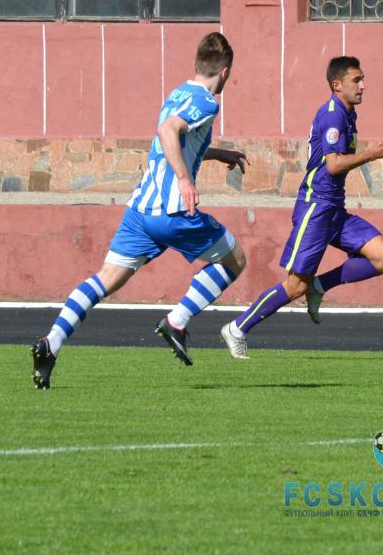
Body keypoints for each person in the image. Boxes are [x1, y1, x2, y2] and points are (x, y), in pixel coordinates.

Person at [31, 32, 248, 389]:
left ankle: (50, 343)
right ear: (225, 72)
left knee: (106, 279)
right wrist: (184, 180)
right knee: (235, 259)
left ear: (196, 64)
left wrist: (215, 153)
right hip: (172, 211)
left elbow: (174, 139)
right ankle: (177, 321)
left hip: (140, 210)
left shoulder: (177, 93)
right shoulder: (208, 102)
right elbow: (168, 131)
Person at [218, 56, 383, 357]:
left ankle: (319, 286)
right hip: (316, 207)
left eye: (363, 79)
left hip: (334, 209)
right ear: (337, 85)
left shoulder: (348, 114)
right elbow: (334, 165)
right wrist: (373, 154)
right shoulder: (333, 116)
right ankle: (237, 328)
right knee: (295, 286)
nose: (363, 86)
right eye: (356, 80)